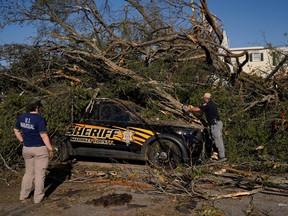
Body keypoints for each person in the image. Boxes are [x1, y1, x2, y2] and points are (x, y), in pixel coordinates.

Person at [14, 98, 54, 204]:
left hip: (27, 149)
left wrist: (22, 141)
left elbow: (16, 130)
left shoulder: (22, 117)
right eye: (40, 107)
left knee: (28, 173)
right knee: (40, 174)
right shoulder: (39, 119)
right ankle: (38, 198)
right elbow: (43, 135)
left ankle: (23, 195)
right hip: (39, 149)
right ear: (37, 108)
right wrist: (50, 148)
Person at [183, 93, 227, 162]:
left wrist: (189, 109)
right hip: (216, 124)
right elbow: (201, 110)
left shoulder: (208, 104)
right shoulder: (211, 104)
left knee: (218, 140)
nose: (203, 99)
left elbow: (198, 109)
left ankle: (222, 157)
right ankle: (216, 155)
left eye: (203, 98)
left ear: (205, 98)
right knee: (215, 139)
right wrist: (192, 109)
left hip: (215, 125)